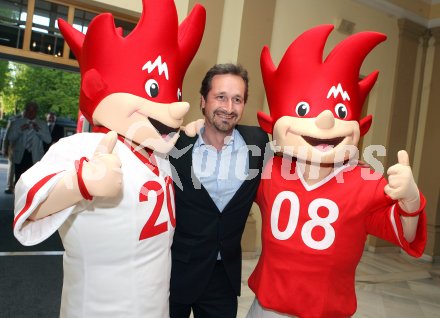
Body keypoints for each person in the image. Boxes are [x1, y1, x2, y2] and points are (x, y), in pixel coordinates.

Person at [12, 1, 205, 317]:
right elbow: (27, 202)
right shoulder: (86, 146)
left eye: (177, 94)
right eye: (155, 89)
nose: (178, 108)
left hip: (153, 305)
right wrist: (79, 183)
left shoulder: (160, 156)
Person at [246, 25, 427, 318]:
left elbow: (404, 232)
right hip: (267, 307)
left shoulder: (366, 182)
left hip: (326, 311)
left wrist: (411, 201)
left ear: (360, 127)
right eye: (305, 109)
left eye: (341, 112)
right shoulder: (270, 169)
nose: (327, 120)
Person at [169, 63, 270, 318]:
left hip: (223, 276)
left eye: (237, 99)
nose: (228, 107)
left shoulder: (258, 142)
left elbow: (299, 158)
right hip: (174, 272)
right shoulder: (175, 144)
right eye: (220, 97)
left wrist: (344, 162)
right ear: (203, 100)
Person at [7, 102, 51, 184]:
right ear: (26, 111)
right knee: (19, 183)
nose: (31, 113)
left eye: (33, 110)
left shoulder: (42, 124)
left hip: (35, 158)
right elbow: (10, 137)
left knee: (33, 183)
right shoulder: (18, 123)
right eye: (29, 110)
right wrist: (20, 130)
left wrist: (38, 130)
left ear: (36, 111)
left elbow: (48, 140)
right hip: (20, 157)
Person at [2, 115, 19, 194]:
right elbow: (6, 137)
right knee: (12, 167)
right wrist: (4, 149)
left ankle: (15, 186)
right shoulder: (13, 122)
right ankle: (10, 186)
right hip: (13, 148)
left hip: (26, 150)